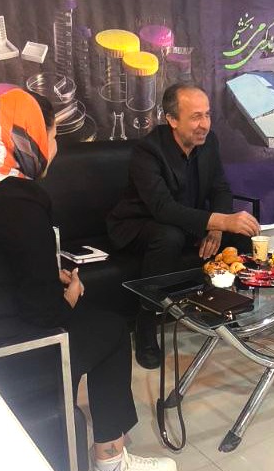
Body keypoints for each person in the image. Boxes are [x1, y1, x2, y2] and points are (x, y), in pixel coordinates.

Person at [0, 88, 176, 471]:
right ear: (27, 138)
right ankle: (112, 467)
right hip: (4, 354)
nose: (55, 148)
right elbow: (45, 313)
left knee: (95, 324)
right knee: (112, 330)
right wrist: (70, 294)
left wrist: (44, 274)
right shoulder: (19, 198)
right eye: (54, 135)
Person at [108, 82, 260, 368]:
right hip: (141, 224)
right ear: (172, 120)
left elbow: (220, 188)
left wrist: (218, 227)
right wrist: (220, 220)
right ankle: (146, 321)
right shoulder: (148, 151)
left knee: (240, 234)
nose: (205, 124)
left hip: (189, 221)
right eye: (196, 117)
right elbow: (162, 208)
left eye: (208, 115)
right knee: (170, 236)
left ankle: (223, 307)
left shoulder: (209, 141)